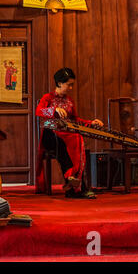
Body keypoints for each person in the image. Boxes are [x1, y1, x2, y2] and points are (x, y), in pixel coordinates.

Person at [35, 68, 104, 199]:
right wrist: (54, 110)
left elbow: (75, 120)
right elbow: (38, 111)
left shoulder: (69, 101)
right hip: (51, 135)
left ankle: (73, 183)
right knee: (63, 144)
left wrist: (91, 123)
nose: (71, 88)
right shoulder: (47, 98)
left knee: (77, 138)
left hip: (67, 135)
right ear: (60, 83)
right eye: (69, 84)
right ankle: (77, 185)